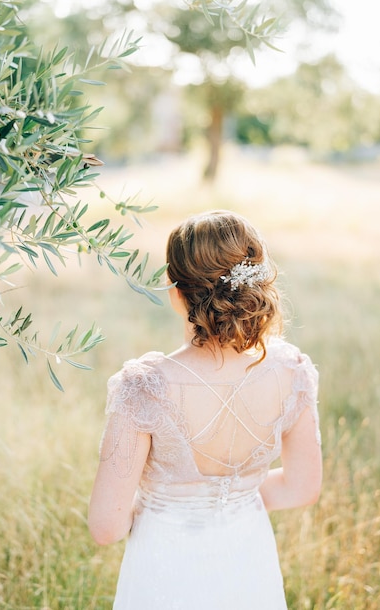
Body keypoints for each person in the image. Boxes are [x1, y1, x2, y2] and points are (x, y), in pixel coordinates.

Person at [88, 210, 322, 610]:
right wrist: (233, 498)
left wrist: (177, 503)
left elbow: (107, 528)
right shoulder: (292, 371)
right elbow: (302, 488)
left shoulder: (144, 386)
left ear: (176, 291)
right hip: (248, 558)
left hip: (164, 563)